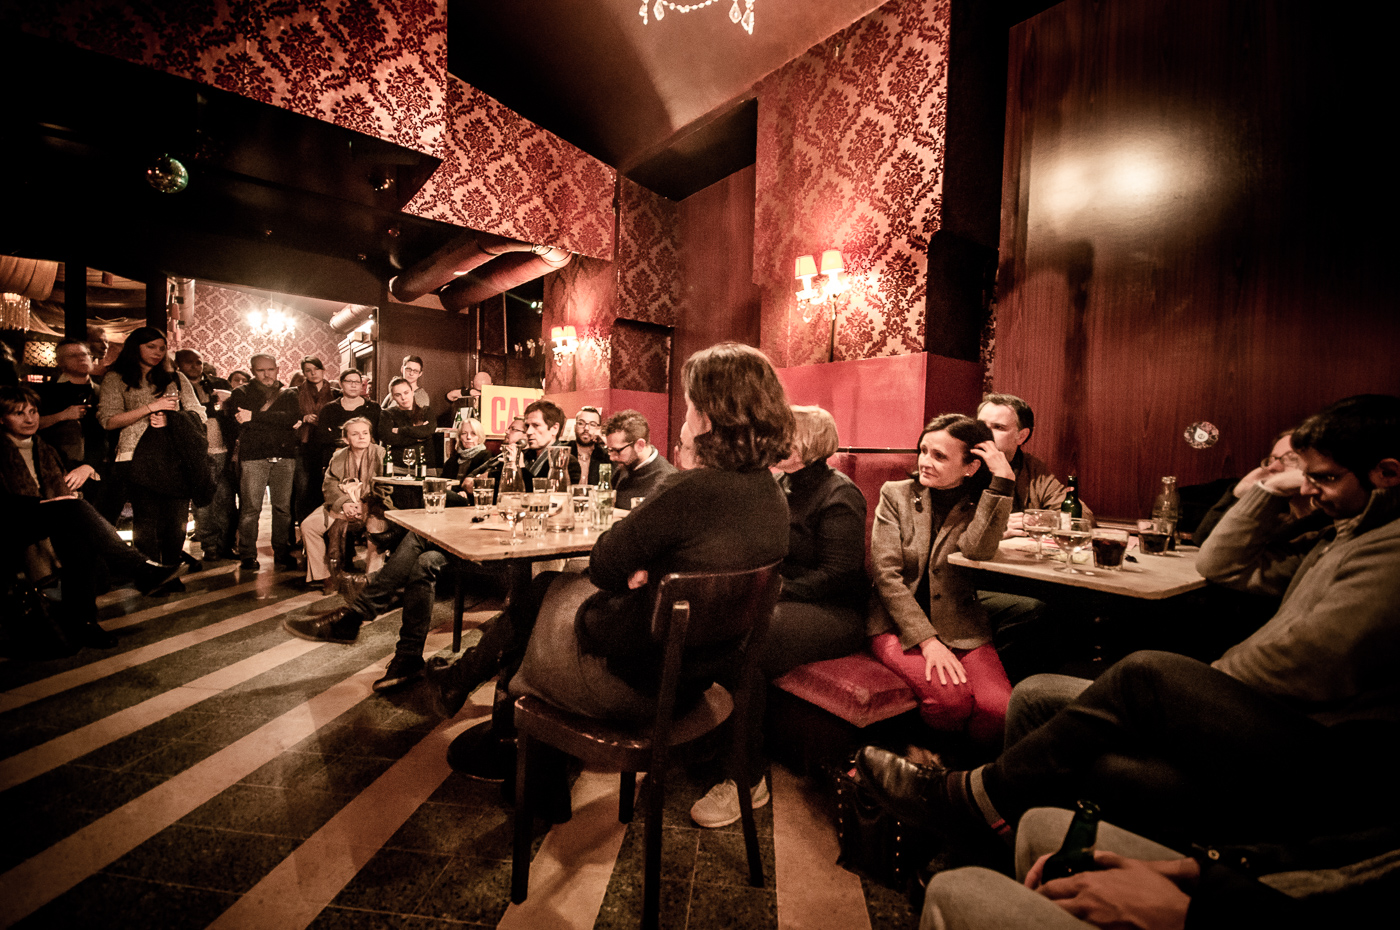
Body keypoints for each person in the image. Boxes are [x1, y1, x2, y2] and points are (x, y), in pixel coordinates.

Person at [855, 394, 1400, 862]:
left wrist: (1000, 483)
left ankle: (976, 802)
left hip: (1314, 738)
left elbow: (1310, 662)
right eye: (922, 451)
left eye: (1324, 477)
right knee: (1043, 689)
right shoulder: (1339, 535)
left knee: (1120, 670)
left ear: (1387, 474)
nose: (1309, 489)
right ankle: (1002, 822)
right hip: (910, 623)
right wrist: (1265, 489)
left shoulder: (1384, 549)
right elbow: (1219, 564)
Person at [691, 404, 869, 827]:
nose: (772, 440)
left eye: (784, 434)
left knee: (747, 644)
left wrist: (772, 591)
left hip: (835, 612)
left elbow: (840, 576)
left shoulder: (839, 494)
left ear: (810, 443)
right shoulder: (780, 484)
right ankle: (709, 737)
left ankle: (746, 779)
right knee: (712, 623)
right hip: (788, 600)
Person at [868, 414, 1017, 750]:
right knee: (952, 701)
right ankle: (931, 767)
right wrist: (927, 641)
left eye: (939, 456)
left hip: (961, 624)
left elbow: (977, 550)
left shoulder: (980, 502)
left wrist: (1003, 482)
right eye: (923, 451)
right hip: (897, 625)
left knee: (999, 711)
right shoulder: (896, 495)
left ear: (971, 467)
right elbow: (886, 575)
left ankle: (965, 771)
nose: (925, 461)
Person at [3, 385, 182, 648]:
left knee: (78, 538)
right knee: (73, 509)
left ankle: (84, 623)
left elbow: (69, 476)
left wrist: (86, 468)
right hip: (13, 521)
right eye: (19, 413)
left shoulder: (45, 447)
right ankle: (137, 568)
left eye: (33, 412)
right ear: (2, 419)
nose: (29, 419)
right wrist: (47, 503)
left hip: (50, 517)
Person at [97, 327, 207, 570]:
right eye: (151, 347)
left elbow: (199, 414)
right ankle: (149, 572)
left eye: (162, 348)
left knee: (177, 521)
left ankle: (171, 570)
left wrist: (172, 418)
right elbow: (108, 420)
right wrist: (150, 408)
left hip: (175, 457)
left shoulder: (175, 377)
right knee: (146, 521)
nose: (157, 352)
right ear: (135, 347)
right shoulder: (116, 378)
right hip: (135, 455)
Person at [976, 393, 1090, 533]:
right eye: (981, 425)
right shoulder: (961, 461)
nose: (985, 433)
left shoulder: (1032, 468)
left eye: (998, 427)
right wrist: (995, 528)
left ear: (1021, 436)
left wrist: (1036, 521)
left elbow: (1082, 516)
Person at [228, 353, 301, 572]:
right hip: (253, 457)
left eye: (270, 369)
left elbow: (291, 418)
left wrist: (255, 417)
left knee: (283, 509)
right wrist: (278, 421)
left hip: (284, 456)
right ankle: (247, 554)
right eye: (261, 370)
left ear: (277, 369)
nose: (267, 374)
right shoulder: (241, 393)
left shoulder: (289, 393)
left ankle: (282, 552)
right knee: (251, 508)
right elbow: (242, 423)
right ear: (253, 371)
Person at [300, 417, 387, 589]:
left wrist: (366, 504)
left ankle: (371, 579)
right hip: (343, 505)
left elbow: (386, 485)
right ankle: (325, 575)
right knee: (308, 526)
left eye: (365, 433)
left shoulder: (381, 454)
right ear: (346, 439)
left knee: (377, 531)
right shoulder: (338, 456)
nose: (361, 437)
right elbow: (329, 484)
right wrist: (344, 503)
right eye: (355, 434)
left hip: (373, 506)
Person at [174, 348, 234, 564]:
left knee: (226, 500)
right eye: (188, 362)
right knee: (204, 502)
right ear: (178, 365)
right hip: (196, 452)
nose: (195, 366)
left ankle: (226, 544)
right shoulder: (175, 386)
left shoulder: (217, 384)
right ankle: (210, 546)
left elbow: (233, 413)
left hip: (222, 449)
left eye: (198, 362)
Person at [292, 356, 338, 526]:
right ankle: (304, 527)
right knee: (303, 490)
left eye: (316, 369)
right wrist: (304, 418)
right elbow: (289, 417)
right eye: (308, 371)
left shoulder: (335, 392)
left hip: (327, 446)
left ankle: (324, 527)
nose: (313, 373)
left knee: (325, 487)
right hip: (303, 446)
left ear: (323, 370)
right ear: (304, 373)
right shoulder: (295, 392)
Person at [603, 409, 677, 510]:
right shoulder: (624, 468)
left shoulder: (667, 479)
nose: (612, 457)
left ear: (640, 445)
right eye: (609, 450)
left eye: (617, 450)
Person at [315, 369, 380, 460]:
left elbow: (377, 435)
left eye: (357, 382)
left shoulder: (373, 408)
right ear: (341, 384)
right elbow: (322, 437)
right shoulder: (329, 409)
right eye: (349, 381)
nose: (353, 385)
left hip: (367, 457)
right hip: (336, 457)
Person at [381, 376, 435, 470]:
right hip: (397, 467)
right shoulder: (387, 414)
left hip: (424, 466)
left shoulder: (426, 411)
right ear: (393, 397)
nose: (403, 397)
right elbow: (389, 439)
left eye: (406, 393)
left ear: (412, 392)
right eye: (398, 395)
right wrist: (418, 437)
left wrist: (400, 430)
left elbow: (428, 431)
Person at [566, 405, 604, 485]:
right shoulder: (564, 452)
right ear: (575, 427)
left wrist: (605, 441)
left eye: (592, 424)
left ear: (599, 429)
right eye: (581, 423)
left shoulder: (605, 456)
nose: (586, 428)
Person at [444, 416, 490, 481]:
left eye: (473, 433)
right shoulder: (452, 461)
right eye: (464, 433)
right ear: (459, 437)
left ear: (479, 437)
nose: (468, 437)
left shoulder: (487, 458)